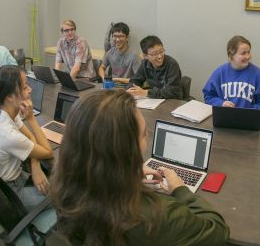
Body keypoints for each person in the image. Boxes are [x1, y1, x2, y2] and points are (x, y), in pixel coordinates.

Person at [50, 90, 230, 245]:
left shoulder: (63, 187)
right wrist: (180, 189)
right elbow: (218, 230)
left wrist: (128, 176)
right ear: (126, 150)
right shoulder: (158, 215)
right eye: (144, 135)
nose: (147, 140)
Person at [0, 65, 53, 210]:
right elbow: (48, 151)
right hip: (12, 191)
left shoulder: (1, 109)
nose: (30, 90)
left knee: (47, 172)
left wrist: (35, 165)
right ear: (10, 97)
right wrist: (31, 119)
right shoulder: (7, 133)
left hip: (8, 179)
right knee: (62, 197)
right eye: (24, 88)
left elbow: (30, 137)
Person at [202, 35, 260, 113]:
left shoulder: (258, 75)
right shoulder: (220, 73)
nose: (248, 56)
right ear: (231, 56)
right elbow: (208, 96)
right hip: (224, 118)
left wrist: (248, 112)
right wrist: (220, 103)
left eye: (249, 52)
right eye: (243, 53)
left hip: (249, 120)